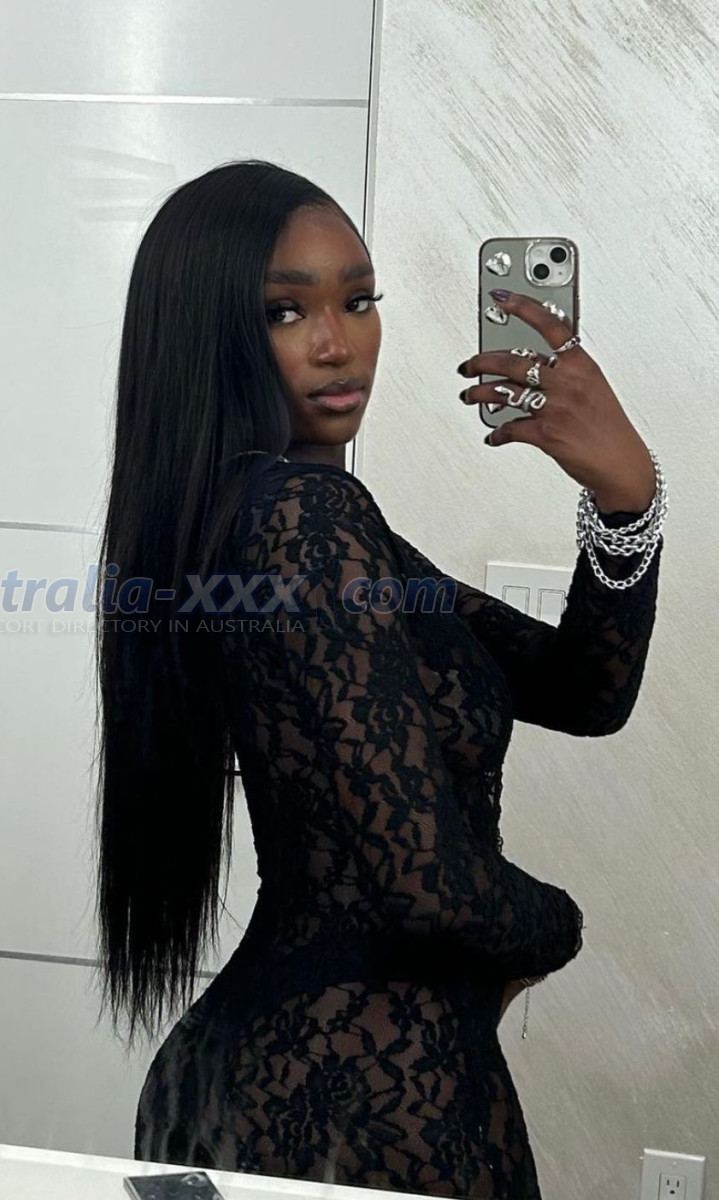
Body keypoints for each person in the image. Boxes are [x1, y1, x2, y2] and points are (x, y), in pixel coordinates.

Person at [91, 160, 664, 1199]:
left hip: (282, 1080)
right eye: (285, 311)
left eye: (358, 300)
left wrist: (624, 502)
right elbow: (430, 888)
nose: (337, 342)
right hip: (367, 1099)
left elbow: (582, 689)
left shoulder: (282, 519)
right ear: (211, 331)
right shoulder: (305, 517)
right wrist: (559, 928)